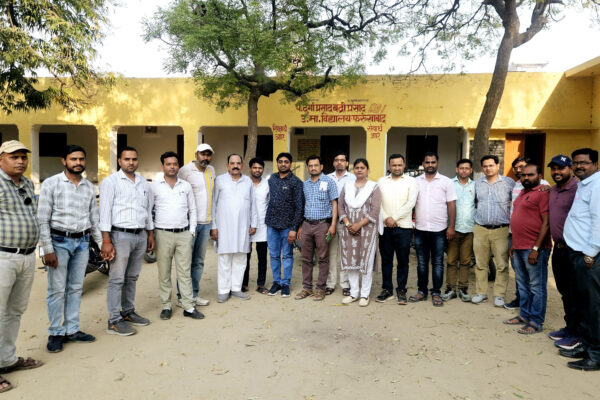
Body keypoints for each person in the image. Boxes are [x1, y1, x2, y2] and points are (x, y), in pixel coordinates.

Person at [37, 145, 103, 353]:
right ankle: (56, 332)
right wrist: (47, 249)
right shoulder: (51, 184)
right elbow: (42, 219)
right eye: (73, 159)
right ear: (64, 161)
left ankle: (72, 329)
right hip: (58, 242)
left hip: (82, 242)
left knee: (75, 288)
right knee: (56, 290)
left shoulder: (88, 187)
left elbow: (94, 219)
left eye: (81, 159)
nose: (78, 163)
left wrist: (102, 245)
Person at [0, 141, 43, 393]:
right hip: (3, 256)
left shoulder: (26, 183)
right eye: (13, 157)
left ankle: (6, 359)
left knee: (14, 311)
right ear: (1, 159)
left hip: (26, 257)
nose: (20, 161)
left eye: (23, 157)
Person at [99, 146, 154, 336]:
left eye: (134, 159)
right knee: (117, 278)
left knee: (132, 277)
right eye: (127, 159)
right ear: (120, 161)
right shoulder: (110, 182)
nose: (131, 162)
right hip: (120, 235)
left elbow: (147, 211)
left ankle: (128, 311)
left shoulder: (144, 183)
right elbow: (104, 212)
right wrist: (106, 240)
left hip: (140, 235)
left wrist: (150, 234)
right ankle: (114, 320)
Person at [150, 152, 203, 320]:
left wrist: (192, 231)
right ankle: (166, 306)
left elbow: (192, 209)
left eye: (175, 164)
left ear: (178, 166)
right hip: (162, 234)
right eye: (168, 164)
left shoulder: (185, 185)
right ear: (162, 167)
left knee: (185, 272)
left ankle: (188, 306)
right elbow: (148, 211)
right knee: (164, 272)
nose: (172, 166)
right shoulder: (155, 186)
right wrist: (151, 233)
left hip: (184, 234)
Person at [561, 148, 600, 371]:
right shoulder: (584, 184)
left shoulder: (597, 185)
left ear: (595, 164)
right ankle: (585, 346)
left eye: (583, 162)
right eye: (575, 163)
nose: (578, 166)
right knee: (583, 304)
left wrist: (590, 253)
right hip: (577, 253)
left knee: (593, 307)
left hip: (589, 256)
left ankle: (596, 355)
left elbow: (599, 221)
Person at [505, 163, 551, 334]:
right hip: (518, 246)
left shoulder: (543, 193)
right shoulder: (523, 192)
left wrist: (536, 248)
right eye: (523, 175)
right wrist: (514, 244)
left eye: (530, 175)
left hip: (533, 248)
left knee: (536, 286)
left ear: (540, 176)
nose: (526, 177)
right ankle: (524, 315)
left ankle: (536, 321)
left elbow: (546, 223)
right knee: (522, 284)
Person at [409, 152, 457, 307]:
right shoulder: (415, 182)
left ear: (438, 163)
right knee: (422, 262)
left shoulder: (446, 182)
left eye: (433, 162)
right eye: (427, 162)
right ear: (423, 164)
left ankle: (436, 292)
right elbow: (411, 204)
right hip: (420, 228)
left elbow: (451, 205)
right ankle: (421, 291)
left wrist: (451, 227)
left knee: (438, 262)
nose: (430, 165)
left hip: (439, 229)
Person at [210, 154, 257, 303]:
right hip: (224, 227)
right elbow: (213, 204)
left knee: (241, 258)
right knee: (225, 258)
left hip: (243, 227)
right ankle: (223, 290)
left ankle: (236, 288)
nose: (235, 166)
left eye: (238, 163)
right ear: (227, 165)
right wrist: (214, 226)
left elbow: (253, 204)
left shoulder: (248, 181)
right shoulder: (219, 180)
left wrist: (253, 224)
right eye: (232, 163)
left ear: (242, 166)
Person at [546, 155, 580, 350]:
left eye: (561, 168)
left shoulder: (579, 189)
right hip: (558, 248)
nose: (557, 172)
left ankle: (577, 335)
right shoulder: (552, 190)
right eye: (554, 169)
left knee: (576, 294)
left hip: (574, 250)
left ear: (571, 169)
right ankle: (569, 328)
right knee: (565, 292)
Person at [472, 155, 515, 306]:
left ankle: (499, 295)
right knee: (480, 263)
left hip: (501, 229)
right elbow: (474, 202)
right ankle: (481, 293)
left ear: (498, 166)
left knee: (502, 264)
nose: (488, 168)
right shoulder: (478, 184)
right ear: (482, 168)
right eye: (485, 166)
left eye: (491, 165)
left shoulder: (509, 183)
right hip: (480, 229)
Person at [339, 159, 382, 307]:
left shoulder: (374, 187)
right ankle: (354, 293)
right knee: (351, 261)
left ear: (367, 170)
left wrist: (359, 225)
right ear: (353, 170)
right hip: (349, 230)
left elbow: (375, 210)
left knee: (366, 262)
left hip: (367, 230)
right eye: (356, 167)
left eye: (362, 168)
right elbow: (341, 207)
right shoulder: (347, 186)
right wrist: (348, 224)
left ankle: (364, 294)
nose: (359, 170)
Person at [376, 153, 418, 305]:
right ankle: (387, 289)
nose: (397, 168)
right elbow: (377, 203)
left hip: (403, 228)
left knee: (403, 260)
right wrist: (386, 218)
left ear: (404, 165)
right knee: (386, 260)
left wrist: (394, 218)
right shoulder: (381, 181)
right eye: (394, 165)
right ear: (389, 166)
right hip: (385, 226)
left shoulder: (411, 182)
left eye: (400, 165)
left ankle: (401, 289)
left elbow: (411, 203)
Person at [295, 155, 338, 301]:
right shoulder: (305, 184)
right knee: (306, 258)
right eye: (310, 166)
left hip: (322, 225)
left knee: (323, 258)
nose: (313, 168)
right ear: (307, 168)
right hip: (306, 225)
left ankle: (320, 289)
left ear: (321, 167)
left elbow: (334, 204)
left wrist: (333, 225)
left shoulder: (329, 182)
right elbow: (303, 205)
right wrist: (300, 226)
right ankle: (307, 288)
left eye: (316, 165)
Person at [177, 143, 215, 307]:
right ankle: (182, 297)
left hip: (206, 223)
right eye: (202, 154)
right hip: (189, 224)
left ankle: (194, 294)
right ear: (196, 154)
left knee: (198, 261)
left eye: (208, 154)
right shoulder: (185, 171)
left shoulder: (211, 170)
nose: (205, 157)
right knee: (185, 262)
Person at [265, 152, 303, 297]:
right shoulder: (271, 179)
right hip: (272, 225)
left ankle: (285, 283)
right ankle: (276, 282)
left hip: (287, 226)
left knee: (287, 255)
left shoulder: (296, 182)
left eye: (286, 162)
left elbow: (299, 207)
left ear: (290, 164)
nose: (283, 164)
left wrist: (294, 228)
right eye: (280, 161)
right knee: (274, 255)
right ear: (277, 163)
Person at [442, 159, 475, 302]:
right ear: (457, 169)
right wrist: (449, 227)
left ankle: (463, 289)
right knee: (451, 261)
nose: (464, 170)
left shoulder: (475, 186)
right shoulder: (449, 184)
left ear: (471, 170)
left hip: (469, 229)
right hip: (452, 229)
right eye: (461, 168)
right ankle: (450, 289)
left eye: (467, 168)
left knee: (465, 261)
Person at [325, 150, 355, 296]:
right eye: (337, 160)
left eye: (342, 160)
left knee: (345, 253)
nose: (339, 162)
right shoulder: (326, 178)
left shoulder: (353, 178)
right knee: (330, 253)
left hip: (346, 221)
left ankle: (345, 284)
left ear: (347, 163)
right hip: (330, 221)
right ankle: (330, 283)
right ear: (333, 163)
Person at [243, 157, 269, 294]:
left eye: (260, 168)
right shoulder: (244, 183)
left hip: (263, 225)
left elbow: (270, 202)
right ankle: (244, 283)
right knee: (245, 256)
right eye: (255, 167)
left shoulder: (267, 184)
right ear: (250, 169)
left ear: (263, 170)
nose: (257, 170)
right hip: (246, 225)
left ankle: (261, 284)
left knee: (262, 257)